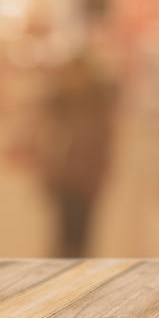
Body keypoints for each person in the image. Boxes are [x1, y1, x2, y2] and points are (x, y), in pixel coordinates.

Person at [40, 45, 118, 257]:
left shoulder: (96, 107)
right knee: (66, 236)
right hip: (68, 181)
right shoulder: (60, 106)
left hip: (85, 182)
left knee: (83, 238)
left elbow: (103, 145)